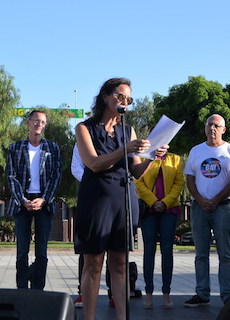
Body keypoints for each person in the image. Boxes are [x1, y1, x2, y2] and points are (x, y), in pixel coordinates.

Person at [74, 78, 165, 320]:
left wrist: (152, 157)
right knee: (93, 264)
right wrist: (126, 150)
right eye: (120, 96)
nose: (125, 102)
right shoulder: (84, 128)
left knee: (120, 264)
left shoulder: (128, 130)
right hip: (96, 200)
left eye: (129, 99)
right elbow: (93, 163)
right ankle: (89, 318)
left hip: (124, 199)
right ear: (105, 96)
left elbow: (137, 171)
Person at [6, 110, 62, 290]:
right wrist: (22, 200)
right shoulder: (15, 148)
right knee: (22, 250)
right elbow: (11, 176)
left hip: (44, 202)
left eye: (43, 122)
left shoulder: (52, 148)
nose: (39, 124)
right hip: (22, 203)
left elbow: (56, 176)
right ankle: (22, 289)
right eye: (36, 121)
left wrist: (44, 199)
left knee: (41, 251)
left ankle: (38, 290)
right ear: (28, 123)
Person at [184, 114, 230, 306]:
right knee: (201, 254)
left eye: (216, 125)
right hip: (199, 208)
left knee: (225, 253)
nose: (212, 128)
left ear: (223, 129)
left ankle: (228, 294)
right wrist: (200, 200)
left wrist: (216, 199)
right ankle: (202, 293)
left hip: (223, 207)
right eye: (209, 125)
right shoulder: (196, 150)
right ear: (205, 128)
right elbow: (190, 179)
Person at [135, 150, 184, 310]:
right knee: (149, 250)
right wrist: (154, 201)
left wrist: (165, 202)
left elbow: (179, 183)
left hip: (169, 210)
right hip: (148, 210)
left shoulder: (175, 159)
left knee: (167, 250)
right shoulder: (143, 159)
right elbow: (138, 181)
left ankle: (166, 292)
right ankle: (148, 292)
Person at [70, 143, 85, 308]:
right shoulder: (82, 139)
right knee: (86, 249)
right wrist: (93, 180)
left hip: (112, 193)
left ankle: (114, 294)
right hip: (89, 193)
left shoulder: (118, 136)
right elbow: (75, 168)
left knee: (114, 250)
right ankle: (83, 293)